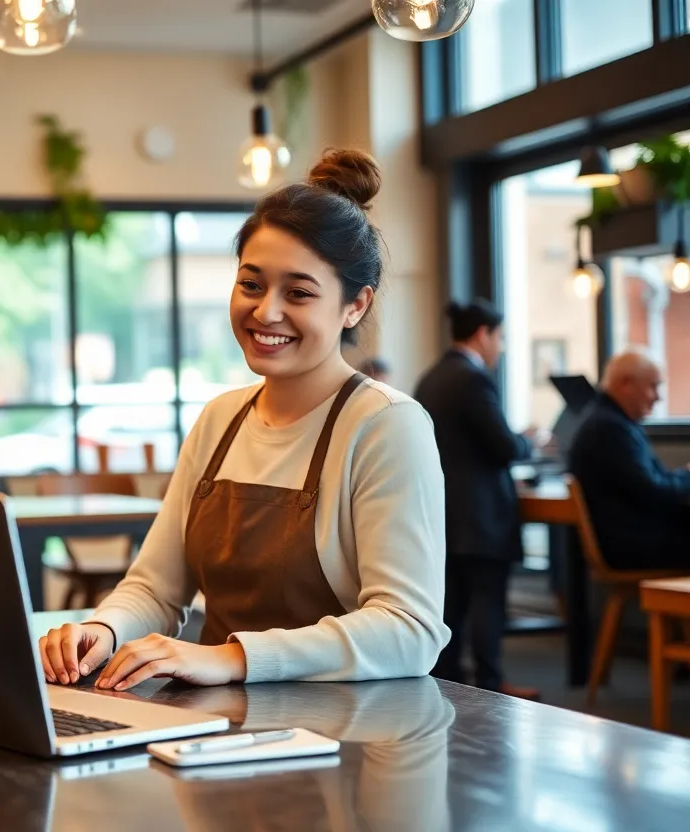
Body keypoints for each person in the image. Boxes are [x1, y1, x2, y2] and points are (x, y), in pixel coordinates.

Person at [39, 149, 449, 690]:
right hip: (214, 731)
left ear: (355, 305)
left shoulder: (387, 425)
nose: (266, 311)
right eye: (251, 284)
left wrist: (229, 659)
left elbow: (408, 629)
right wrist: (103, 630)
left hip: (344, 737)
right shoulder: (220, 418)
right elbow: (156, 590)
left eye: (298, 292)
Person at [414, 300, 539, 698]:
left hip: (444, 515)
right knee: (488, 602)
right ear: (482, 333)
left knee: (453, 607)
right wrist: (529, 441)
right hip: (481, 516)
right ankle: (490, 685)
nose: (500, 348)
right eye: (499, 338)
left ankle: (450, 683)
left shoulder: (430, 378)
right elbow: (502, 445)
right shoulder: (472, 378)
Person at [568, 350, 690, 569]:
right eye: (653, 386)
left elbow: (650, 484)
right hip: (633, 544)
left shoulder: (608, 421)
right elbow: (653, 492)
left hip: (632, 536)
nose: (658, 397)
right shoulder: (609, 428)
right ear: (626, 383)